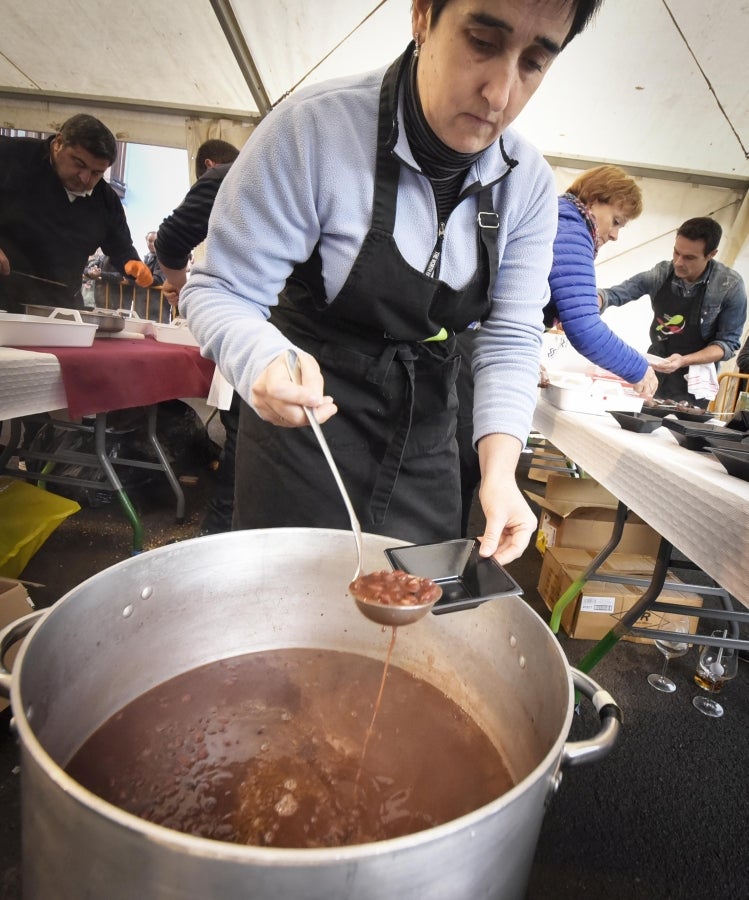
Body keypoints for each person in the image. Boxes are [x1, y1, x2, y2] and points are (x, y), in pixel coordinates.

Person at [181, 0, 605, 565]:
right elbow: (220, 288)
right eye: (482, 41)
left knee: (419, 603)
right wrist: (257, 357)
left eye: (533, 62)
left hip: (426, 422)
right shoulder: (315, 131)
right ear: (423, 16)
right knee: (292, 606)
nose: (500, 94)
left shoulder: (526, 184)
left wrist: (500, 471)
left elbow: (509, 336)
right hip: (309, 414)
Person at [458, 164, 658, 534]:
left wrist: (526, 358)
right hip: (468, 352)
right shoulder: (571, 227)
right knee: (464, 468)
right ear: (596, 200)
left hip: (469, 344)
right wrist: (638, 368)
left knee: (464, 466)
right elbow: (584, 327)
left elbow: (513, 304)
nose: (615, 235)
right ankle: (453, 557)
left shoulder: (555, 217)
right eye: (616, 221)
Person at [155, 138, 241, 534]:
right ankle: (223, 538)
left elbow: (170, 242)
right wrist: (184, 288)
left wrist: (179, 285)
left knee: (248, 445)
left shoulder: (229, 175)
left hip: (262, 330)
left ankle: (223, 535)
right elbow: (172, 241)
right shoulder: (238, 175)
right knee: (249, 445)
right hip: (263, 331)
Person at [0, 114, 152, 313]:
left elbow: (121, 247)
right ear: (59, 143)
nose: (85, 178)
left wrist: (132, 264)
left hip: (59, 310)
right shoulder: (10, 156)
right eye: (79, 164)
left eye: (97, 172)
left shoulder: (105, 200)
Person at [599, 217, 747, 406]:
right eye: (676, 252)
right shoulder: (661, 274)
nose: (678, 262)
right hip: (655, 366)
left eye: (689, 258)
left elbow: (727, 343)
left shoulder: (729, 286)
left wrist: (683, 360)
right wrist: (598, 299)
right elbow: (617, 293)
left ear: (711, 254)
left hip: (693, 380)